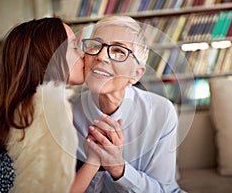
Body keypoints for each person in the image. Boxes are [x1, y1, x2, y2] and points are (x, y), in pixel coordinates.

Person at [0, 17, 99, 193]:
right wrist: (96, 158)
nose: (83, 54)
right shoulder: (50, 107)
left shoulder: (23, 105)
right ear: (50, 56)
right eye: (73, 47)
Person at [72, 15, 182, 192]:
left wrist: (118, 169)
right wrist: (95, 165)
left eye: (118, 51)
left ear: (136, 74)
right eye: (95, 45)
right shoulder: (69, 112)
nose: (101, 56)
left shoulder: (161, 111)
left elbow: (163, 190)